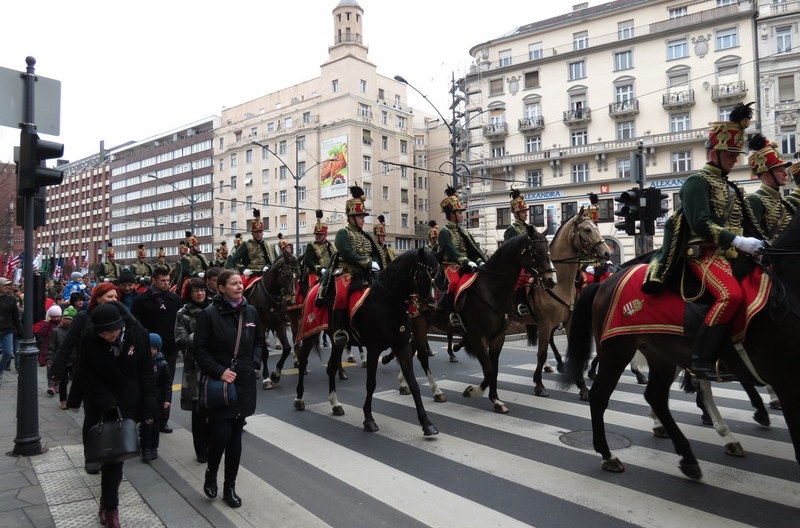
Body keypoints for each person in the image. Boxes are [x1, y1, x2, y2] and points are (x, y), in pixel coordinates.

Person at [643, 102, 763, 381]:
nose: (736, 160)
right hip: (705, 253)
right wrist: (739, 241)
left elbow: (751, 224)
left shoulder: (733, 186)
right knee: (730, 295)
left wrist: (763, 244)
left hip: (735, 253)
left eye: (737, 155)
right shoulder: (697, 181)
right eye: (731, 155)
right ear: (715, 153)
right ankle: (701, 359)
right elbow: (701, 223)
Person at [77, 302, 155, 527]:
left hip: (129, 403)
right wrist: (105, 400)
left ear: (121, 326)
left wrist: (150, 407)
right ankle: (111, 510)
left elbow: (147, 372)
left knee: (117, 458)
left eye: (112, 332)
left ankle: (107, 502)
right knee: (111, 460)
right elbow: (84, 373)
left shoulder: (138, 335)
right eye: (103, 333)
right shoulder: (90, 338)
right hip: (102, 406)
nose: (108, 336)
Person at [193, 269, 263, 509]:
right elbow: (199, 350)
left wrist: (254, 362)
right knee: (221, 435)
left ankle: (229, 487)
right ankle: (211, 473)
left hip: (244, 383)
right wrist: (218, 370)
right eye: (233, 284)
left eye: (240, 283)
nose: (239, 286)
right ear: (221, 288)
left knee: (235, 439)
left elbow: (259, 342)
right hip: (221, 384)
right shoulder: (209, 315)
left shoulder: (251, 311)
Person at [324, 185, 382, 346]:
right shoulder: (343, 233)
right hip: (346, 272)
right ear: (351, 218)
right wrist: (368, 263)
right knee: (341, 296)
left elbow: (375, 252)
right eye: (360, 216)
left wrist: (376, 262)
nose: (363, 219)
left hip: (365, 274)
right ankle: (338, 330)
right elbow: (348, 252)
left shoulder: (365, 235)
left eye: (363, 216)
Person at [131, 266, 182, 433]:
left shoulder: (174, 299)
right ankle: (146, 418)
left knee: (166, 384)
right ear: (154, 280)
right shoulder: (140, 300)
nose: (167, 283)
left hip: (169, 348)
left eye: (168, 280)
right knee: (147, 384)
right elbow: (135, 325)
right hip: (148, 349)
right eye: (163, 281)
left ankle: (163, 420)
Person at [437, 186, 487, 328]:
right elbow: (452, 251)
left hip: (467, 263)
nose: (461, 215)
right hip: (450, 264)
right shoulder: (444, 231)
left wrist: (478, 260)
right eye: (459, 212)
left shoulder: (463, 231)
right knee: (454, 283)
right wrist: (466, 261)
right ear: (452, 214)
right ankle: (451, 312)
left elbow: (472, 250)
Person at [174, 277, 211, 463]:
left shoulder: (214, 308)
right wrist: (202, 333)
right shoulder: (183, 313)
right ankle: (201, 450)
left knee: (216, 407)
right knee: (198, 411)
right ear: (189, 293)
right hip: (194, 366)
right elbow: (180, 340)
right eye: (196, 290)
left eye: (202, 289)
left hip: (216, 364)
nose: (200, 293)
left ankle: (214, 445)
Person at [745, 133, 795, 243]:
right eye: (779, 171)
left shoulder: (783, 202)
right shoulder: (754, 200)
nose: (785, 174)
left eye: (784, 170)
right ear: (766, 176)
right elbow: (751, 238)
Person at [140, 333, 171, 463]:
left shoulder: (163, 364)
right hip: (145, 400)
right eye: (148, 348)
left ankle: (154, 447)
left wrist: (167, 400)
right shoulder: (141, 362)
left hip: (158, 400)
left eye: (153, 348)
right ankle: (145, 448)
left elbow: (167, 384)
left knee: (156, 425)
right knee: (146, 424)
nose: (151, 351)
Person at [503, 188, 533, 316]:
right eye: (522, 212)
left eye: (526, 211)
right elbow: (509, 250)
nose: (526, 214)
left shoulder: (530, 228)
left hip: (531, 261)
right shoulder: (511, 229)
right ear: (516, 213)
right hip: (518, 263)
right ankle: (521, 304)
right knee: (523, 277)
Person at [226, 210, 273, 286]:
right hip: (250, 273)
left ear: (263, 233)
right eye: (256, 232)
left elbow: (273, 260)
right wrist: (243, 269)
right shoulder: (246, 244)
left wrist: (268, 266)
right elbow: (235, 259)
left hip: (266, 272)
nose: (258, 234)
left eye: (260, 232)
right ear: (252, 233)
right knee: (240, 288)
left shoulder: (267, 245)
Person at [47, 305, 77, 410]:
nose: (67, 321)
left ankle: (73, 400)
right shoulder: (56, 331)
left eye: (70, 319)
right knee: (63, 382)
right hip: (62, 361)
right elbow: (51, 348)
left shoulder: (76, 331)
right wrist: (50, 359)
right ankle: (63, 400)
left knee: (76, 381)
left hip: (74, 360)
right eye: (65, 318)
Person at [302, 210, 336, 289]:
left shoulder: (331, 246)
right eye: (316, 234)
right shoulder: (311, 246)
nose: (317, 236)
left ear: (325, 235)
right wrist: (320, 269)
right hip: (317, 274)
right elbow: (307, 260)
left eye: (320, 235)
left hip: (331, 274)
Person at [0, 277, 22, 378]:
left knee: (8, 353)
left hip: (7, 329)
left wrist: (19, 329)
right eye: (5, 285)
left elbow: (15, 316)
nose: (7, 287)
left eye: (8, 285)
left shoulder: (11, 299)